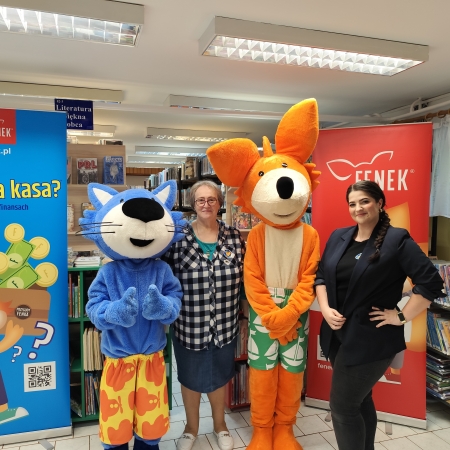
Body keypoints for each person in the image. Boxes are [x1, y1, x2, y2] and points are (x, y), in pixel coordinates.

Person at [315, 180, 445, 450]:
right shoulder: (339, 236)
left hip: (371, 340)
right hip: (337, 335)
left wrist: (400, 316)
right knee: (360, 401)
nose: (358, 208)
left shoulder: (396, 240)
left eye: (364, 201)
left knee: (342, 409)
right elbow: (320, 277)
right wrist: (325, 309)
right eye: (352, 203)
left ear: (379, 203)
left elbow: (431, 283)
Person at [162, 180, 245, 450]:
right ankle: (190, 428)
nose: (206, 204)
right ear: (193, 204)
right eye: (201, 200)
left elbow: (247, 278)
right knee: (189, 377)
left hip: (225, 323)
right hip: (188, 324)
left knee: (220, 376)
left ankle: (220, 426)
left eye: (212, 199)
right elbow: (161, 274)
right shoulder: (177, 238)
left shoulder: (234, 237)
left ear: (220, 204)